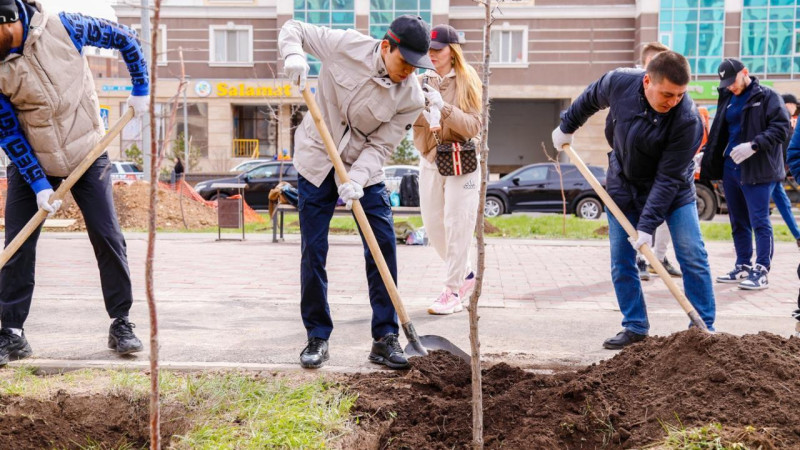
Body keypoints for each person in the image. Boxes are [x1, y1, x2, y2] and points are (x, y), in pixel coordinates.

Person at [0, 0, 149, 365]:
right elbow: (7, 128)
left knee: (107, 235)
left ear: (10, 22)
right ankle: (12, 333)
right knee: (18, 244)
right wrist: (37, 182)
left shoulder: (66, 27)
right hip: (33, 158)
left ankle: (121, 322)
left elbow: (124, 38)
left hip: (88, 152)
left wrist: (141, 87)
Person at [278, 15, 430, 369]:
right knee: (313, 250)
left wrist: (358, 179)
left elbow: (380, 146)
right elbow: (294, 28)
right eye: (404, 62)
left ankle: (385, 336)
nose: (408, 71)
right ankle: (317, 335)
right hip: (317, 158)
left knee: (383, 246)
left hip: (365, 170)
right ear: (386, 45)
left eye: (415, 66)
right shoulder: (346, 45)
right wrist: (293, 56)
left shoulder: (411, 98)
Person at [552, 51, 716, 349]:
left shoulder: (688, 120)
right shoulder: (619, 83)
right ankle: (635, 326)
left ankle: (702, 328)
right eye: (667, 93)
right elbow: (590, 97)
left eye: (680, 94)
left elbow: (668, 179)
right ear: (646, 81)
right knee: (621, 260)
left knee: (692, 253)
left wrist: (647, 227)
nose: (674, 101)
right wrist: (567, 126)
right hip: (624, 186)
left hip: (673, 190)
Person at [701, 58, 790, 290]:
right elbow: (720, 131)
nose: (731, 86)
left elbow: (781, 128)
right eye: (726, 83)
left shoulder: (767, 96)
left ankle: (761, 270)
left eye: (733, 81)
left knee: (759, 221)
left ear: (745, 72)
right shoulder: (728, 98)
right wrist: (708, 153)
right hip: (731, 168)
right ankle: (742, 265)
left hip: (758, 169)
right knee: (738, 221)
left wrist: (754, 145)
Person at [411, 24, 482, 315]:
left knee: (458, 222)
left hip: (461, 160)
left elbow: (475, 126)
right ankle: (465, 274)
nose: (432, 54)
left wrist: (445, 110)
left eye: (437, 50)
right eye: (428, 49)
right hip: (430, 158)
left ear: (452, 52)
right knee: (433, 225)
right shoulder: (419, 80)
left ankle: (452, 290)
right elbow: (408, 118)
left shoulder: (467, 81)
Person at [634, 42, 681, 280]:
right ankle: (641, 259)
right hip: (640, 170)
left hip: (664, 168)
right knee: (642, 216)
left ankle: (658, 258)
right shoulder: (630, 88)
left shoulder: (674, 95)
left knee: (661, 216)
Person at [770, 93, 800, 247]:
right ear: (789, 104)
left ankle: (798, 235)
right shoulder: (782, 116)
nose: (796, 111)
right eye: (795, 106)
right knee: (759, 209)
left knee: (782, 204)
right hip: (772, 170)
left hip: (774, 170)